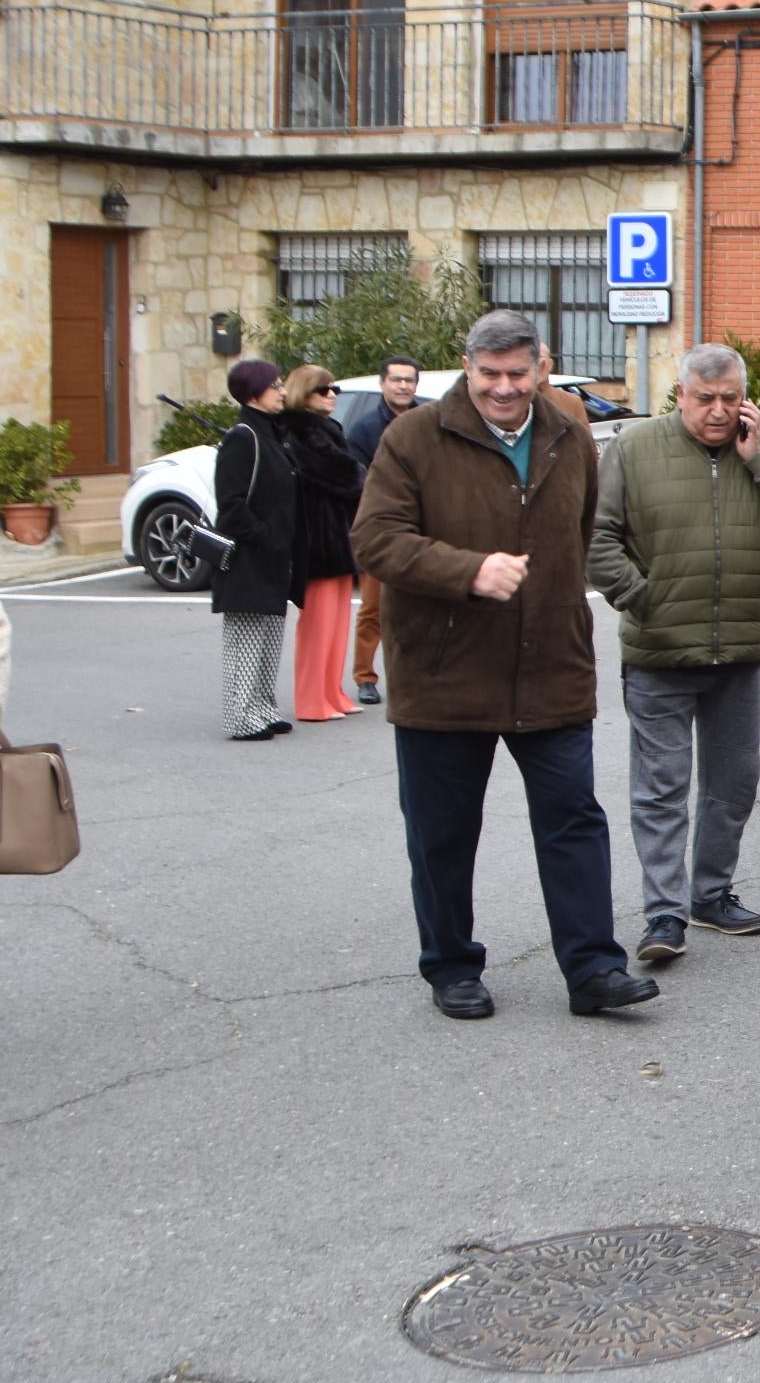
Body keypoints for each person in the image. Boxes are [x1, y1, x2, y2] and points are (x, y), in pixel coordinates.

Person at [352, 309, 656, 1022]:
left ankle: (593, 969)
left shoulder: (569, 436)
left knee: (574, 821)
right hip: (444, 673)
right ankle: (451, 966)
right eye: (489, 375)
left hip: (550, 664)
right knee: (442, 831)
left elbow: (584, 536)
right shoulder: (414, 439)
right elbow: (375, 539)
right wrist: (467, 571)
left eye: (518, 373)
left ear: (541, 366)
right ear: (467, 368)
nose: (503, 388)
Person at [590, 342, 760, 967]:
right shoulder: (635, 448)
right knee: (662, 789)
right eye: (706, 400)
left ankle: (712, 894)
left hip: (738, 654)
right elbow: (597, 538)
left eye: (730, 399)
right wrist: (642, 599)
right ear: (681, 396)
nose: (719, 412)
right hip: (659, 653)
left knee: (733, 784)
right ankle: (664, 914)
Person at [209, 359, 297, 742]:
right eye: (275, 385)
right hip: (248, 558)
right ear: (253, 392)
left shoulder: (271, 433)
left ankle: (262, 708)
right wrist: (264, 535)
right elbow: (230, 505)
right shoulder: (242, 437)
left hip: (274, 557)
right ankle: (240, 717)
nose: (281, 391)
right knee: (245, 640)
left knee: (269, 636)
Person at [278, 365, 364, 723]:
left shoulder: (326, 428)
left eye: (334, 389)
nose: (331, 395)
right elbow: (346, 474)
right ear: (304, 393)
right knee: (319, 623)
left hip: (337, 535)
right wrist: (359, 474)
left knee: (338, 620)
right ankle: (313, 699)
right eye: (323, 390)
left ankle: (333, 692)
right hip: (316, 538)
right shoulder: (299, 428)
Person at [344, 354, 422, 707]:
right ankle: (365, 677)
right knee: (373, 609)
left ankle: (415, 676)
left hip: (423, 531)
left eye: (409, 380)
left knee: (419, 609)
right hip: (382, 530)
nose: (403, 385)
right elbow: (355, 482)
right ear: (382, 384)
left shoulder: (428, 423)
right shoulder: (363, 429)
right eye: (396, 379)